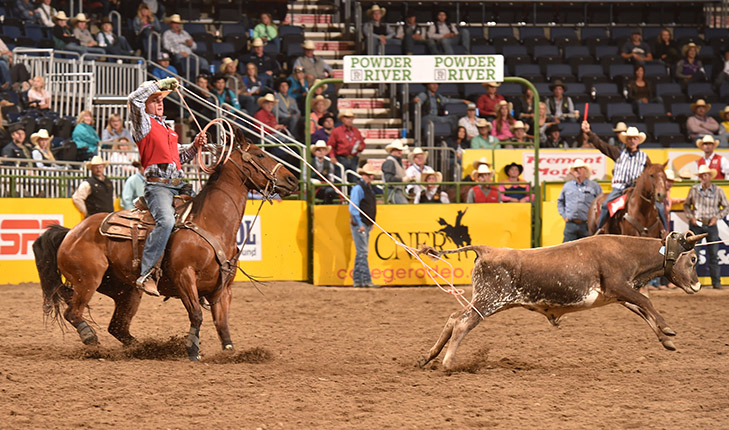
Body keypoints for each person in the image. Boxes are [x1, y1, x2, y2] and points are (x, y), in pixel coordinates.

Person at [127, 77, 207, 296]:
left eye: (161, 99)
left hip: (179, 184)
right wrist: (159, 84)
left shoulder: (169, 130)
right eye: (154, 100)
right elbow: (133, 100)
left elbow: (182, 156)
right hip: (158, 187)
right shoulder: (143, 123)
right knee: (167, 221)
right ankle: (147, 273)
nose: (160, 102)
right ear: (146, 105)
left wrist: (195, 146)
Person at [582, 122, 658, 233]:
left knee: (658, 207)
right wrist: (589, 132)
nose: (632, 141)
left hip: (637, 189)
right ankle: (600, 229)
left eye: (635, 138)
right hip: (619, 189)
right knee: (605, 206)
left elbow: (649, 174)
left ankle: (663, 231)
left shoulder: (644, 157)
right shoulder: (618, 152)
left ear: (638, 140)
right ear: (626, 140)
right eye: (630, 138)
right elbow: (601, 145)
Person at [684, 164, 729, 289]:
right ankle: (691, 282)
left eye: (706, 175)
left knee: (714, 254)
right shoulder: (693, 190)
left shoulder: (718, 190)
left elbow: (726, 206)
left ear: (710, 176)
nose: (704, 177)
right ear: (699, 177)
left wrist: (717, 217)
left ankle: (716, 282)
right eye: (702, 175)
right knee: (693, 255)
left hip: (710, 224)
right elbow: (686, 205)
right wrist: (691, 217)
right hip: (696, 224)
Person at [557, 159, 603, 242]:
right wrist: (564, 215)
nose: (577, 171)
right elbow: (560, 201)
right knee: (567, 249)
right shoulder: (567, 186)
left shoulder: (594, 186)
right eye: (575, 169)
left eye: (580, 168)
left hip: (587, 224)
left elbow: (600, 203)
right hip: (570, 224)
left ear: (585, 171)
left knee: (587, 249)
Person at [349, 164, 379, 288]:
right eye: (368, 174)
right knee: (363, 252)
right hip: (360, 224)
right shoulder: (359, 188)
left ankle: (358, 280)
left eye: (371, 175)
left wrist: (370, 222)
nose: (370, 177)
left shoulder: (365, 188)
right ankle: (365, 280)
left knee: (361, 252)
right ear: (363, 175)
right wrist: (361, 223)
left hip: (364, 223)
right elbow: (353, 208)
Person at [328, 109, 364, 181]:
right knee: (340, 179)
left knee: (353, 180)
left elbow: (362, 144)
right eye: (347, 118)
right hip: (341, 158)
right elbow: (330, 145)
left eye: (351, 118)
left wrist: (360, 147)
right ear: (342, 119)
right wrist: (332, 156)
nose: (349, 120)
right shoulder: (337, 131)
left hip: (353, 158)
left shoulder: (356, 132)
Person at [381, 139, 411, 204]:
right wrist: (402, 179)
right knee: (405, 206)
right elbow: (388, 178)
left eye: (400, 150)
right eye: (397, 150)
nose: (400, 152)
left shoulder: (396, 161)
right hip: (392, 190)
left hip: (397, 190)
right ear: (392, 151)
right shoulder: (390, 162)